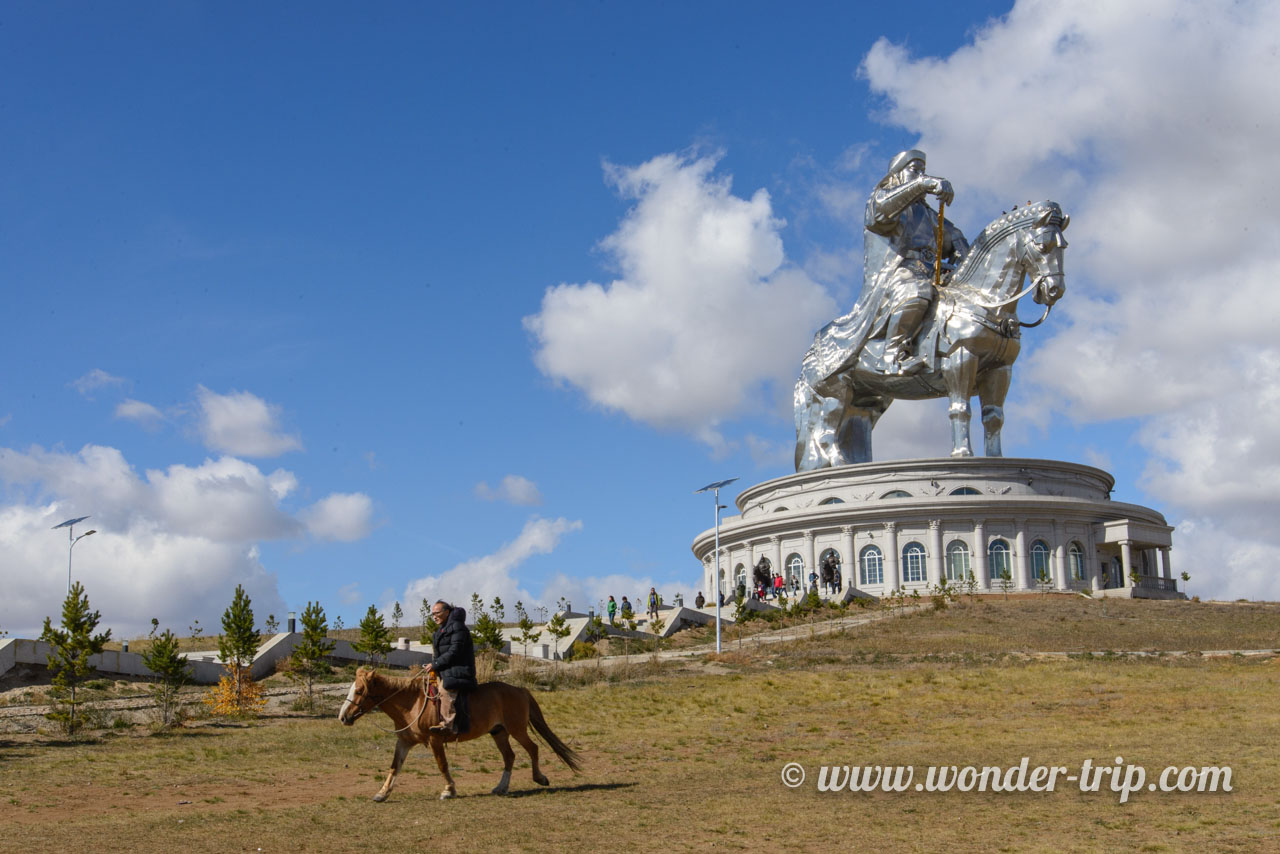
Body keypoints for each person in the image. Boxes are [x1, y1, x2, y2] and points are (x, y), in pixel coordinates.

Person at [863, 149, 969, 375]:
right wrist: (923, 184)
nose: (920, 175)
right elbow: (879, 216)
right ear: (898, 174)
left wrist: (963, 255)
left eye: (923, 171)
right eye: (915, 170)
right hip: (901, 272)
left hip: (934, 272)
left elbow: (954, 235)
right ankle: (893, 355)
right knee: (915, 291)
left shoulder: (929, 213)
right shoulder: (883, 200)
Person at [427, 599, 477, 735]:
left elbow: (455, 651)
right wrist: (433, 667)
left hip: (460, 671)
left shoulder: (458, 628)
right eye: (432, 614)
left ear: (447, 612)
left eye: (437, 613)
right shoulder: (440, 631)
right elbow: (438, 655)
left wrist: (436, 664)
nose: (434, 616)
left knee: (444, 690)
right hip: (446, 670)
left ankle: (447, 724)